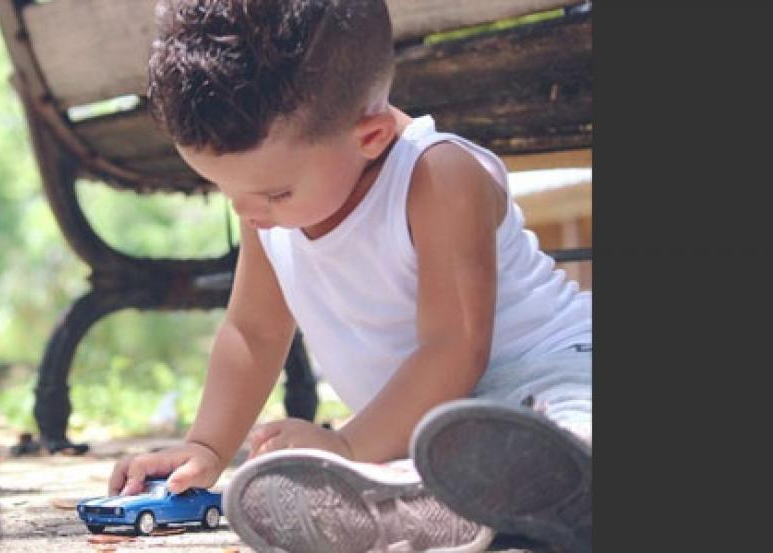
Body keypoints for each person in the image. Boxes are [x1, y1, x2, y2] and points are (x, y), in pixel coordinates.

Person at [109, 1, 592, 551]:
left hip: (554, 375)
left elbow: (454, 348)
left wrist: (346, 448)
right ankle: (438, 505)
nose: (247, 212)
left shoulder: (436, 174)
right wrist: (207, 447)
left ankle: (556, 471)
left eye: (272, 193)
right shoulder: (267, 207)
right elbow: (254, 331)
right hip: (432, 434)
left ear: (372, 136)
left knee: (574, 422)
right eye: (225, 191)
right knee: (425, 464)